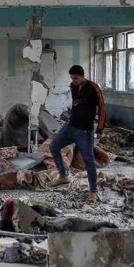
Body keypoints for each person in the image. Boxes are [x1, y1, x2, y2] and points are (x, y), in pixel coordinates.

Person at [50, 65, 106, 204]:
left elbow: (102, 108)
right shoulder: (73, 86)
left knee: (89, 161)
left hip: (85, 131)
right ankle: (63, 176)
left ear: (82, 76)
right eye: (71, 78)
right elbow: (77, 105)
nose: (73, 80)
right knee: (54, 146)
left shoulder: (94, 87)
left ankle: (93, 192)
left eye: (76, 78)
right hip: (70, 126)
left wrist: (100, 129)